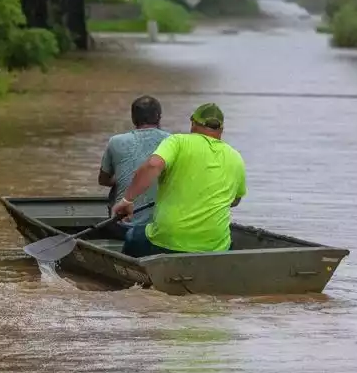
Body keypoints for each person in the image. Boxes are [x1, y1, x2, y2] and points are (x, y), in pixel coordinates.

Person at [112, 103, 246, 257]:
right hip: (215, 245)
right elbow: (235, 201)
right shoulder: (236, 157)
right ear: (221, 130)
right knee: (227, 243)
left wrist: (127, 200)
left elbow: (153, 165)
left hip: (169, 240)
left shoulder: (177, 142)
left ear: (193, 124)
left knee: (132, 237)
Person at [99, 95, 170, 238]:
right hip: (162, 228)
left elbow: (103, 180)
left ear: (133, 118)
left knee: (116, 190)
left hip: (124, 227)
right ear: (159, 117)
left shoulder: (116, 142)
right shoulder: (173, 141)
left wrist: (127, 178)